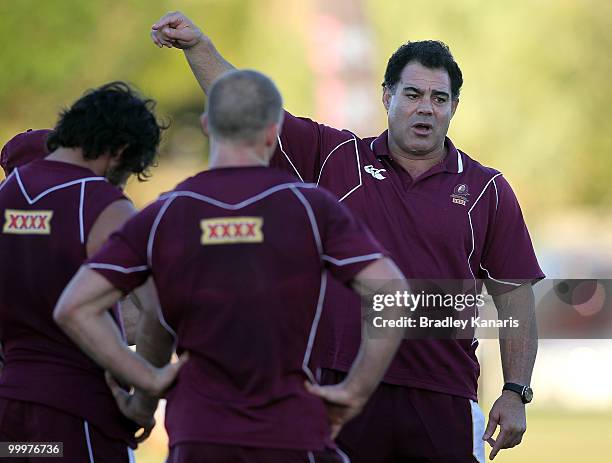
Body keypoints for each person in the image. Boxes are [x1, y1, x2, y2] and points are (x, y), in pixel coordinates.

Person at [150, 12, 545, 463]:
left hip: (443, 395)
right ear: (386, 96)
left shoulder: (486, 189)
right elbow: (251, 108)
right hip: (339, 390)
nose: (425, 108)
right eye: (412, 94)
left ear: (454, 107)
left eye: (439, 98)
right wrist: (198, 47)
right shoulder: (334, 157)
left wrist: (516, 390)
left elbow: (514, 298)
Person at [54, 69, 410, 463]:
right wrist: (354, 392)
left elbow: (74, 306)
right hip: (290, 432)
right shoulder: (311, 207)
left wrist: (149, 382)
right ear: (273, 132)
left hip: (198, 435)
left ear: (207, 125)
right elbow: (392, 291)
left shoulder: (166, 212)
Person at [0, 82, 168, 462]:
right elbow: (158, 313)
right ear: (121, 151)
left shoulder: (7, 195)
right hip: (80, 414)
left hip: (12, 415)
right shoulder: (103, 204)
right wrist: (144, 397)